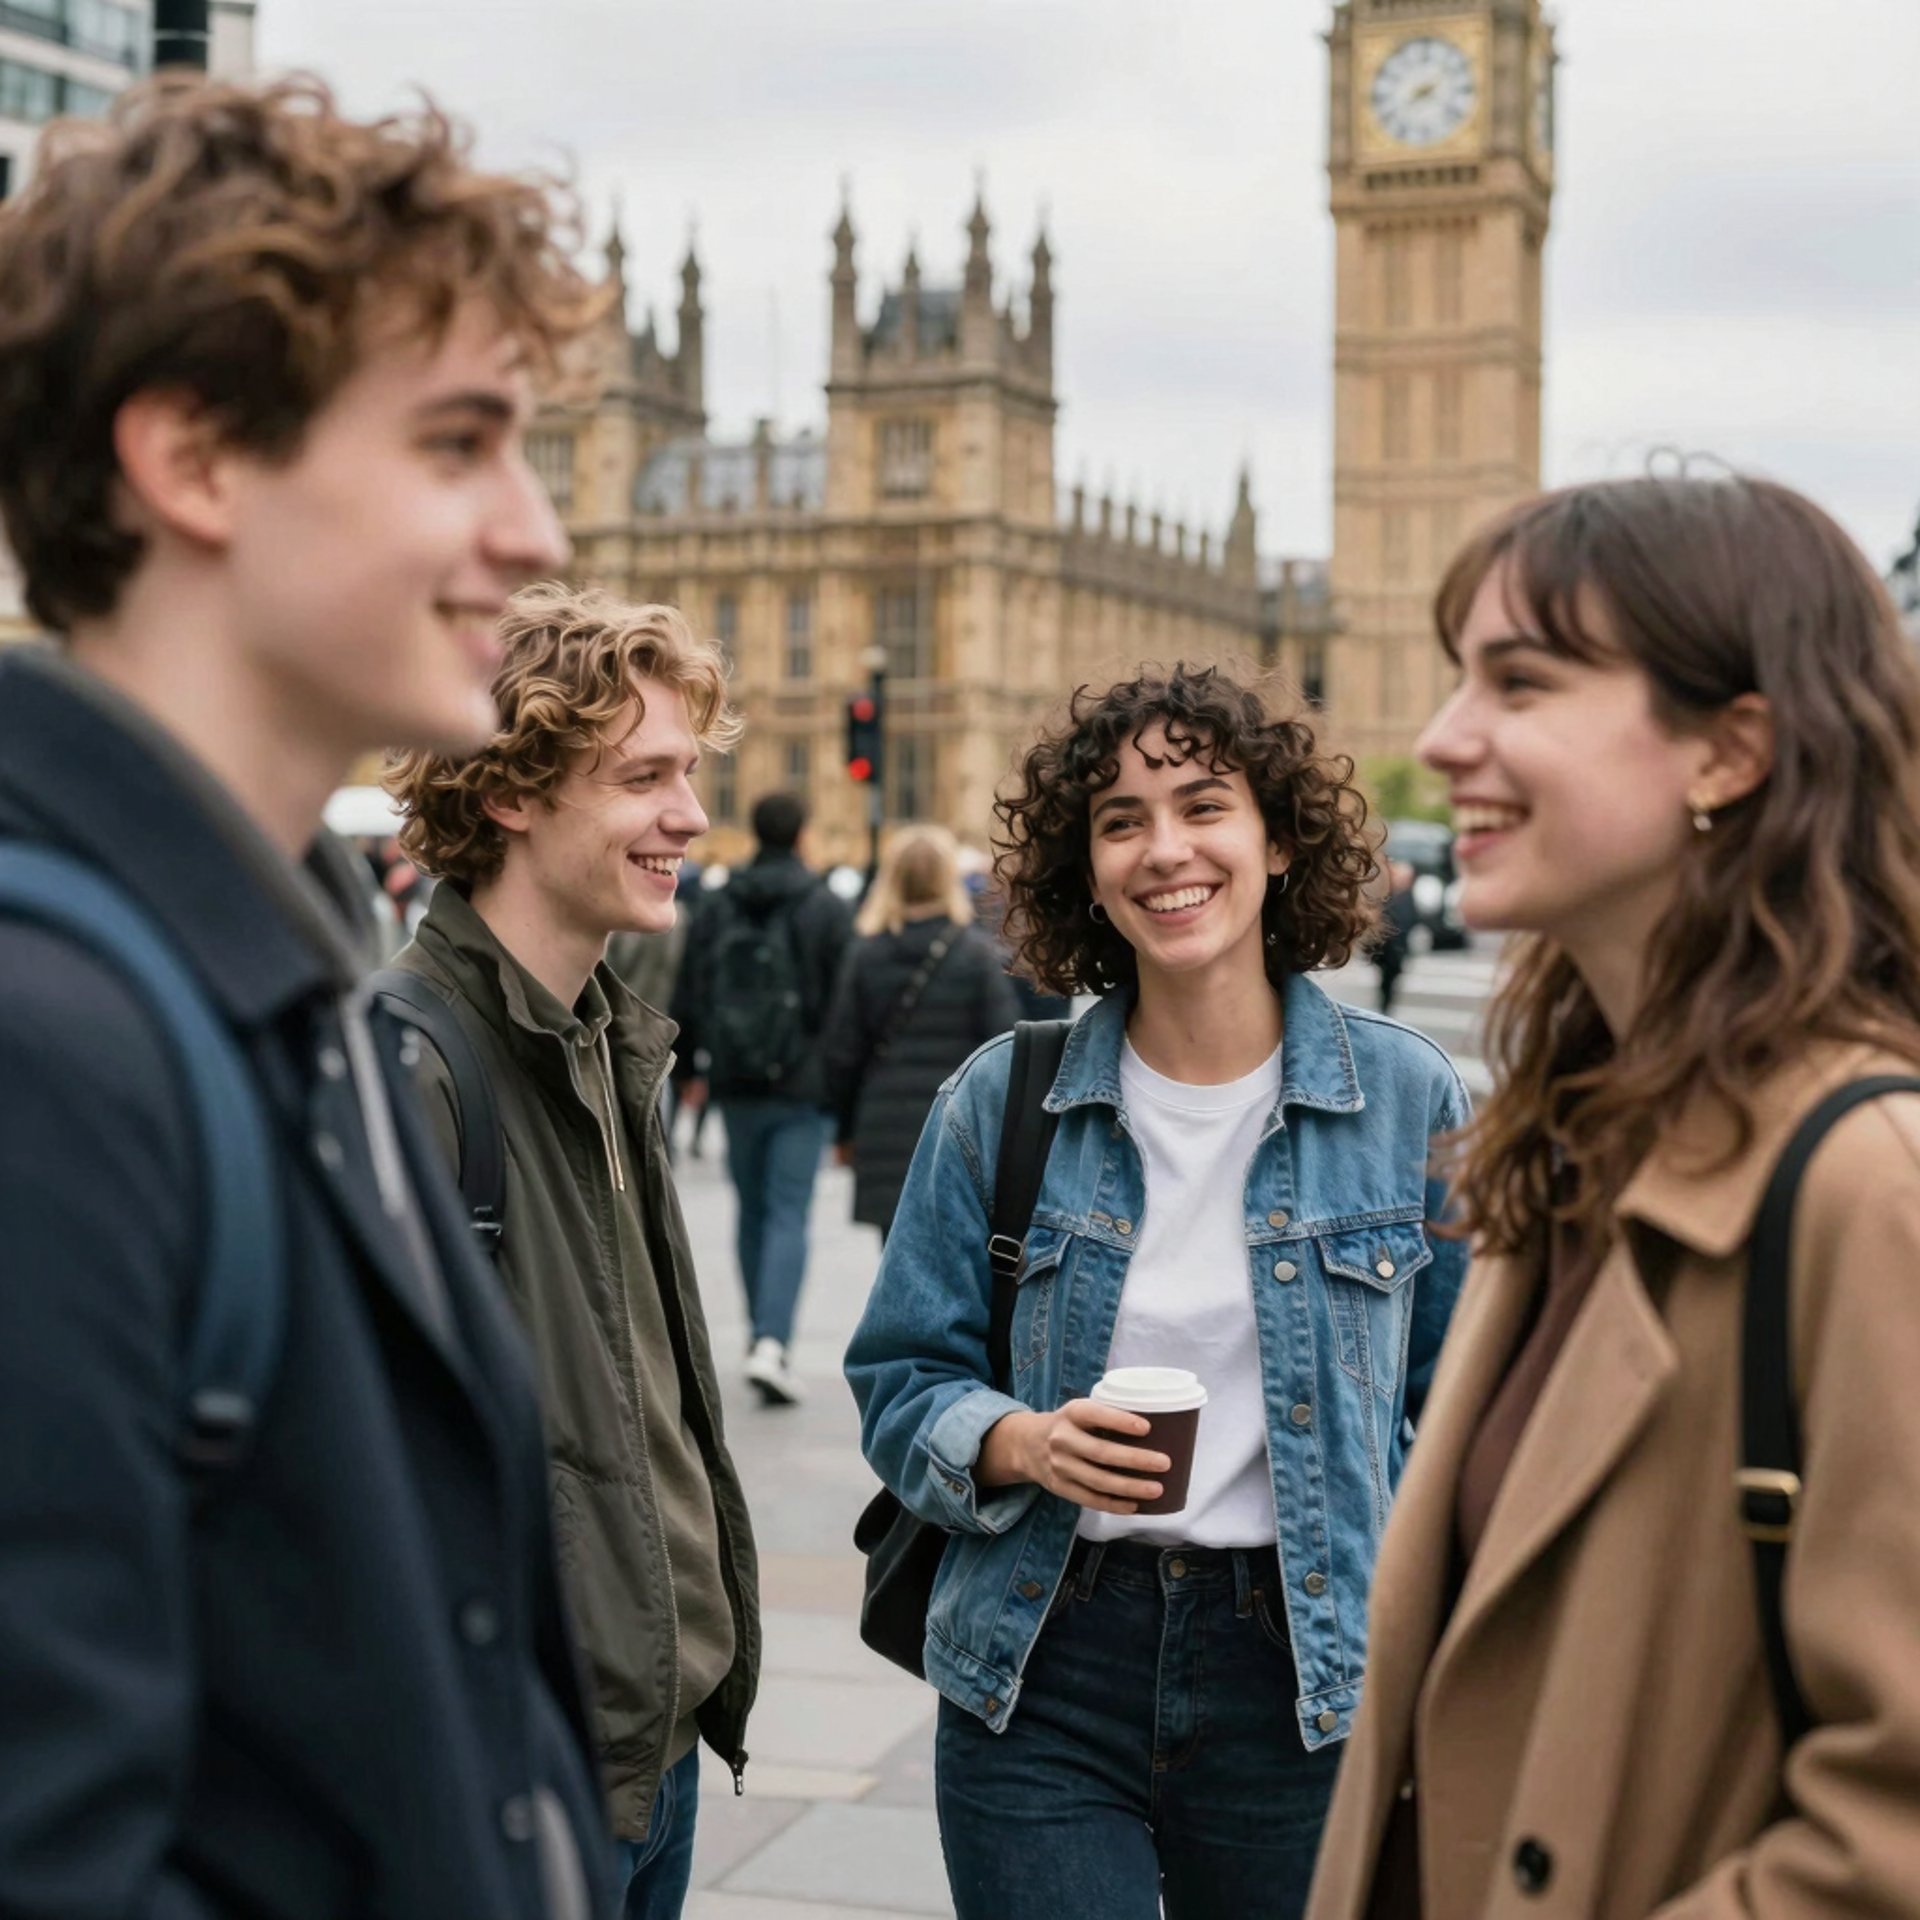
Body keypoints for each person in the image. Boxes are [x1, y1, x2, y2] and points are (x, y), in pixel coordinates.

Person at [0, 76, 614, 1919]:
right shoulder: (48, 1054)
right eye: (458, 443)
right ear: (192, 458)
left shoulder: (295, 986)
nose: (536, 531)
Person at [1306, 475, 1920, 1919]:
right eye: (1459, 678)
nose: (1444, 738)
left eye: (1521, 683)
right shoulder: (1570, 1149)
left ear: (1732, 749)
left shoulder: (1863, 1191)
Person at [846, 664, 1470, 1920]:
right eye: (1121, 821)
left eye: (1202, 806)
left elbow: (1462, 1424)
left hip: (1305, 1678)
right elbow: (899, 1379)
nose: (1164, 850)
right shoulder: (1001, 1101)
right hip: (1046, 1667)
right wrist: (1020, 1442)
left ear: (1281, 838)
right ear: (1084, 870)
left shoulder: (1409, 1105)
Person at [383, 585, 761, 1920]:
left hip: (648, 1756)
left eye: (693, 774)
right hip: (520, 1771)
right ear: (512, 792)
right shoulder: (410, 1072)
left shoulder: (607, 1040)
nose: (692, 817)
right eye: (647, 777)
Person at [677, 791, 853, 1405]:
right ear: (802, 831)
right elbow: (842, 1004)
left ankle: (760, 1334)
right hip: (799, 1084)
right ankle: (771, 1342)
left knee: (750, 1210)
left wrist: (690, 1070)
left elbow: (691, 986)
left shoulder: (721, 901)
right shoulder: (825, 907)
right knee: (786, 1211)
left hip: (733, 1079)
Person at [821, 824, 1021, 1242]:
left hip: (885, 1124)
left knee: (896, 1261)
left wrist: (844, 1131)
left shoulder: (867, 952)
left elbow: (842, 1052)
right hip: (958, 1125)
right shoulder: (975, 953)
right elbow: (1004, 1047)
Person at [1372, 858, 1417, 1017]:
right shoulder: (1390, 896)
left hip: (1397, 947)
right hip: (1388, 948)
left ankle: (1386, 1006)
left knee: (1390, 980)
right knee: (1386, 981)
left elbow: (1410, 922)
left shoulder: (1406, 897)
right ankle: (1385, 1006)